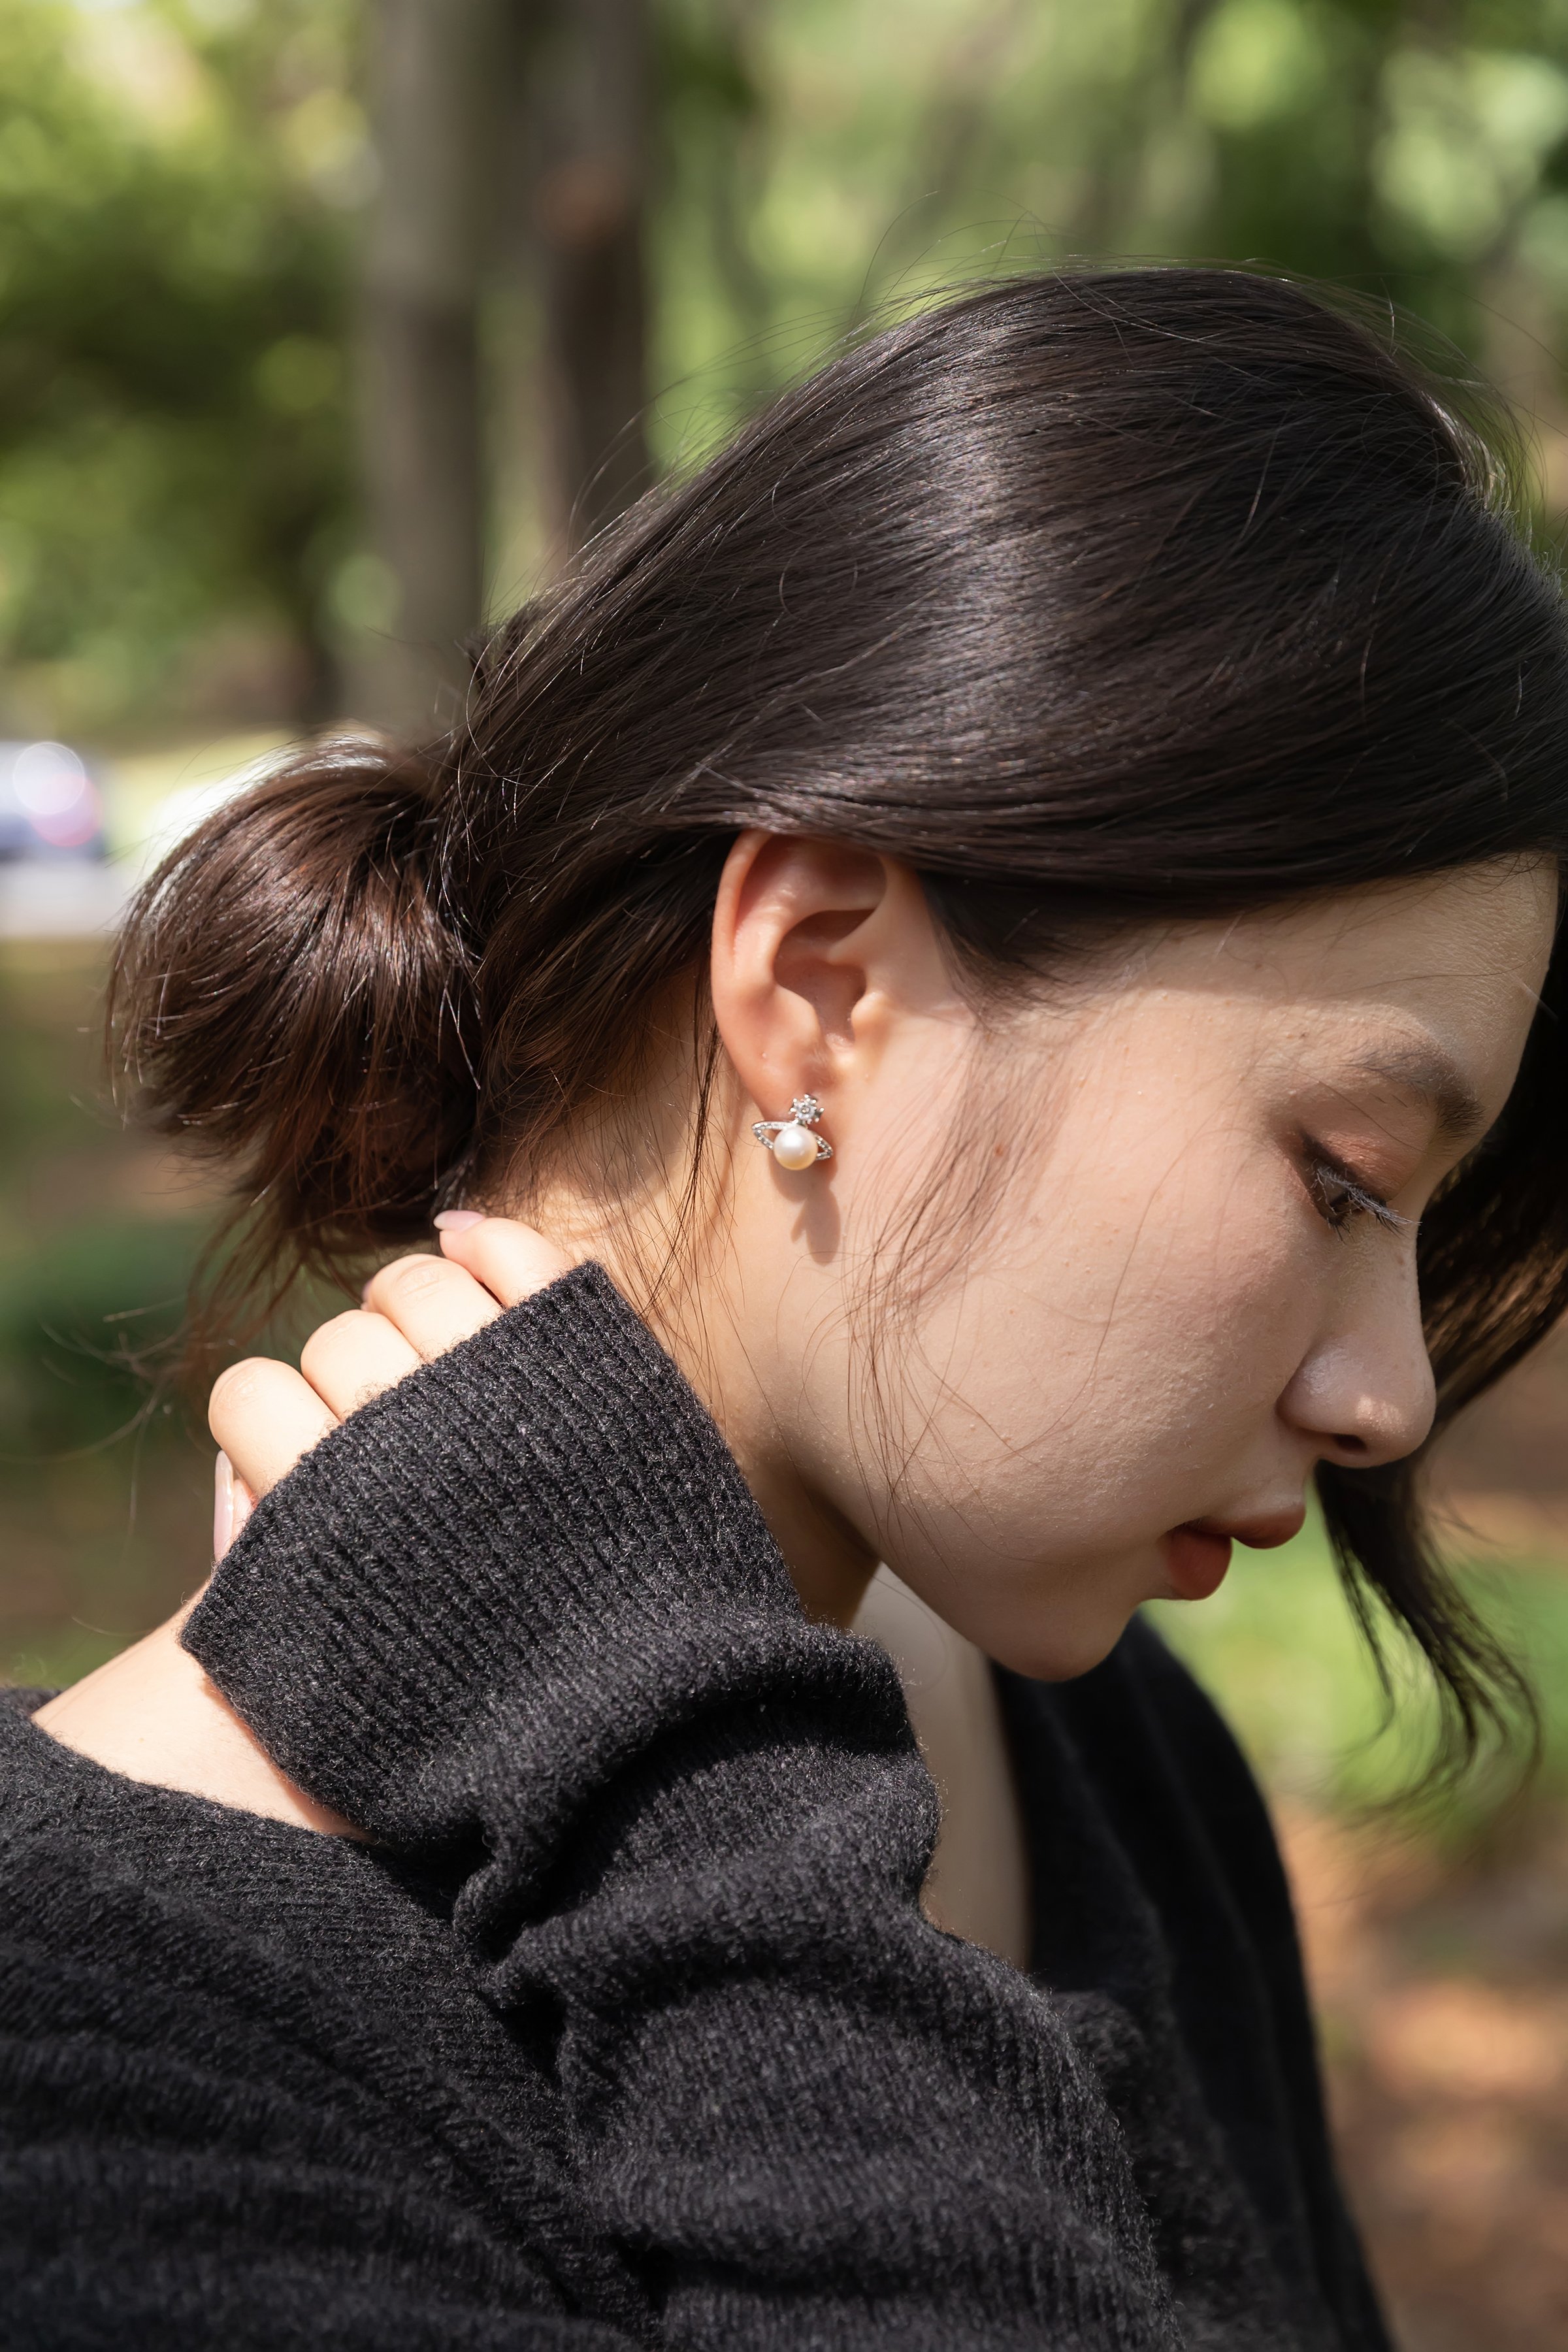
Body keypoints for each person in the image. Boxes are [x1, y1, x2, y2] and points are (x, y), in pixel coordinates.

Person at [6, 267, 1568, 2351]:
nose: (1391, 1397)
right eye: (1343, 1176)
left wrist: (672, 1771)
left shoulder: (1097, 1745)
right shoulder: (85, 2055)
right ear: (822, 986)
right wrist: (688, 1818)